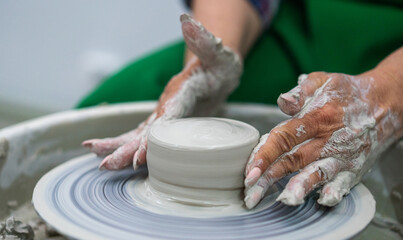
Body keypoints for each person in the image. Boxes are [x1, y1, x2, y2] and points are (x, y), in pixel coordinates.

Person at [79, 0, 403, 208]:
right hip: (302, 24)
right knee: (126, 97)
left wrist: (389, 93)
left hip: (394, 53)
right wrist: (217, 53)